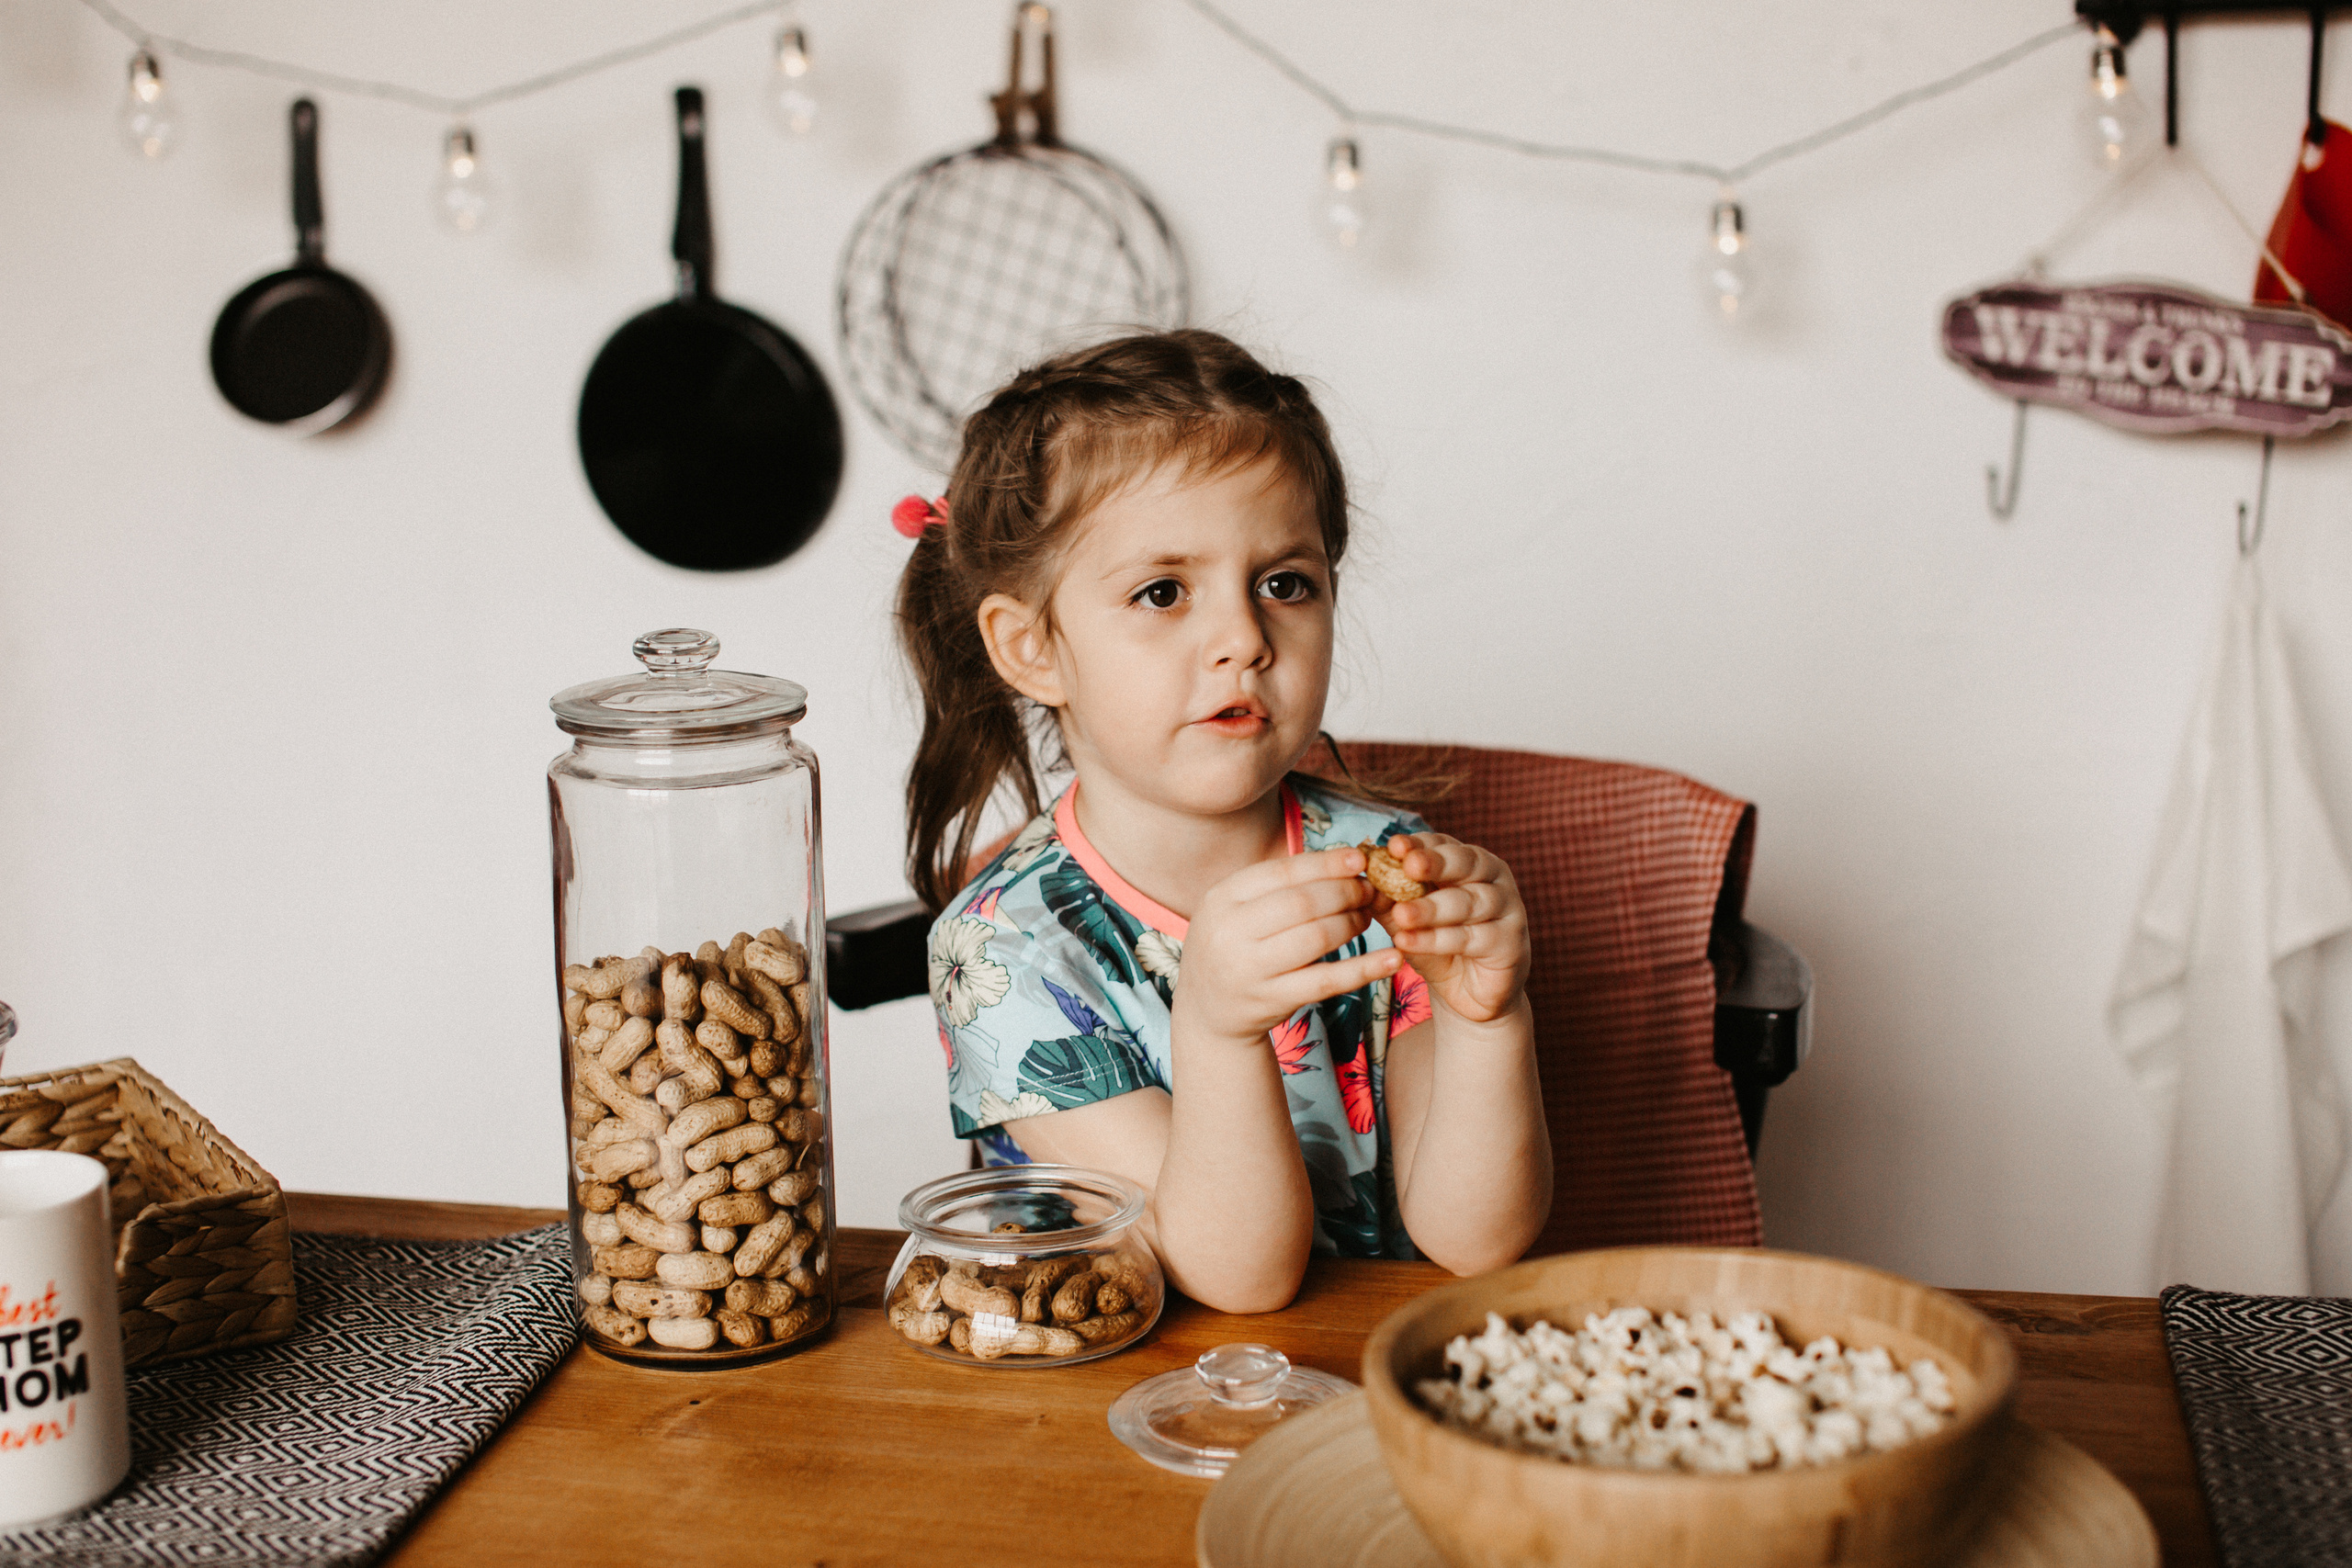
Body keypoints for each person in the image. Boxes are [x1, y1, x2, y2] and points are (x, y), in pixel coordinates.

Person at [895, 329, 1550, 1313]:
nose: (1244, 639)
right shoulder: (1001, 954)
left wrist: (1485, 1017)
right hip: (1102, 1411)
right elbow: (1237, 1281)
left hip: (1359, 1391)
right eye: (1162, 592)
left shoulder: (1386, 869)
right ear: (1031, 648)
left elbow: (1474, 1242)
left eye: (1285, 583)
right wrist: (1214, 1028)